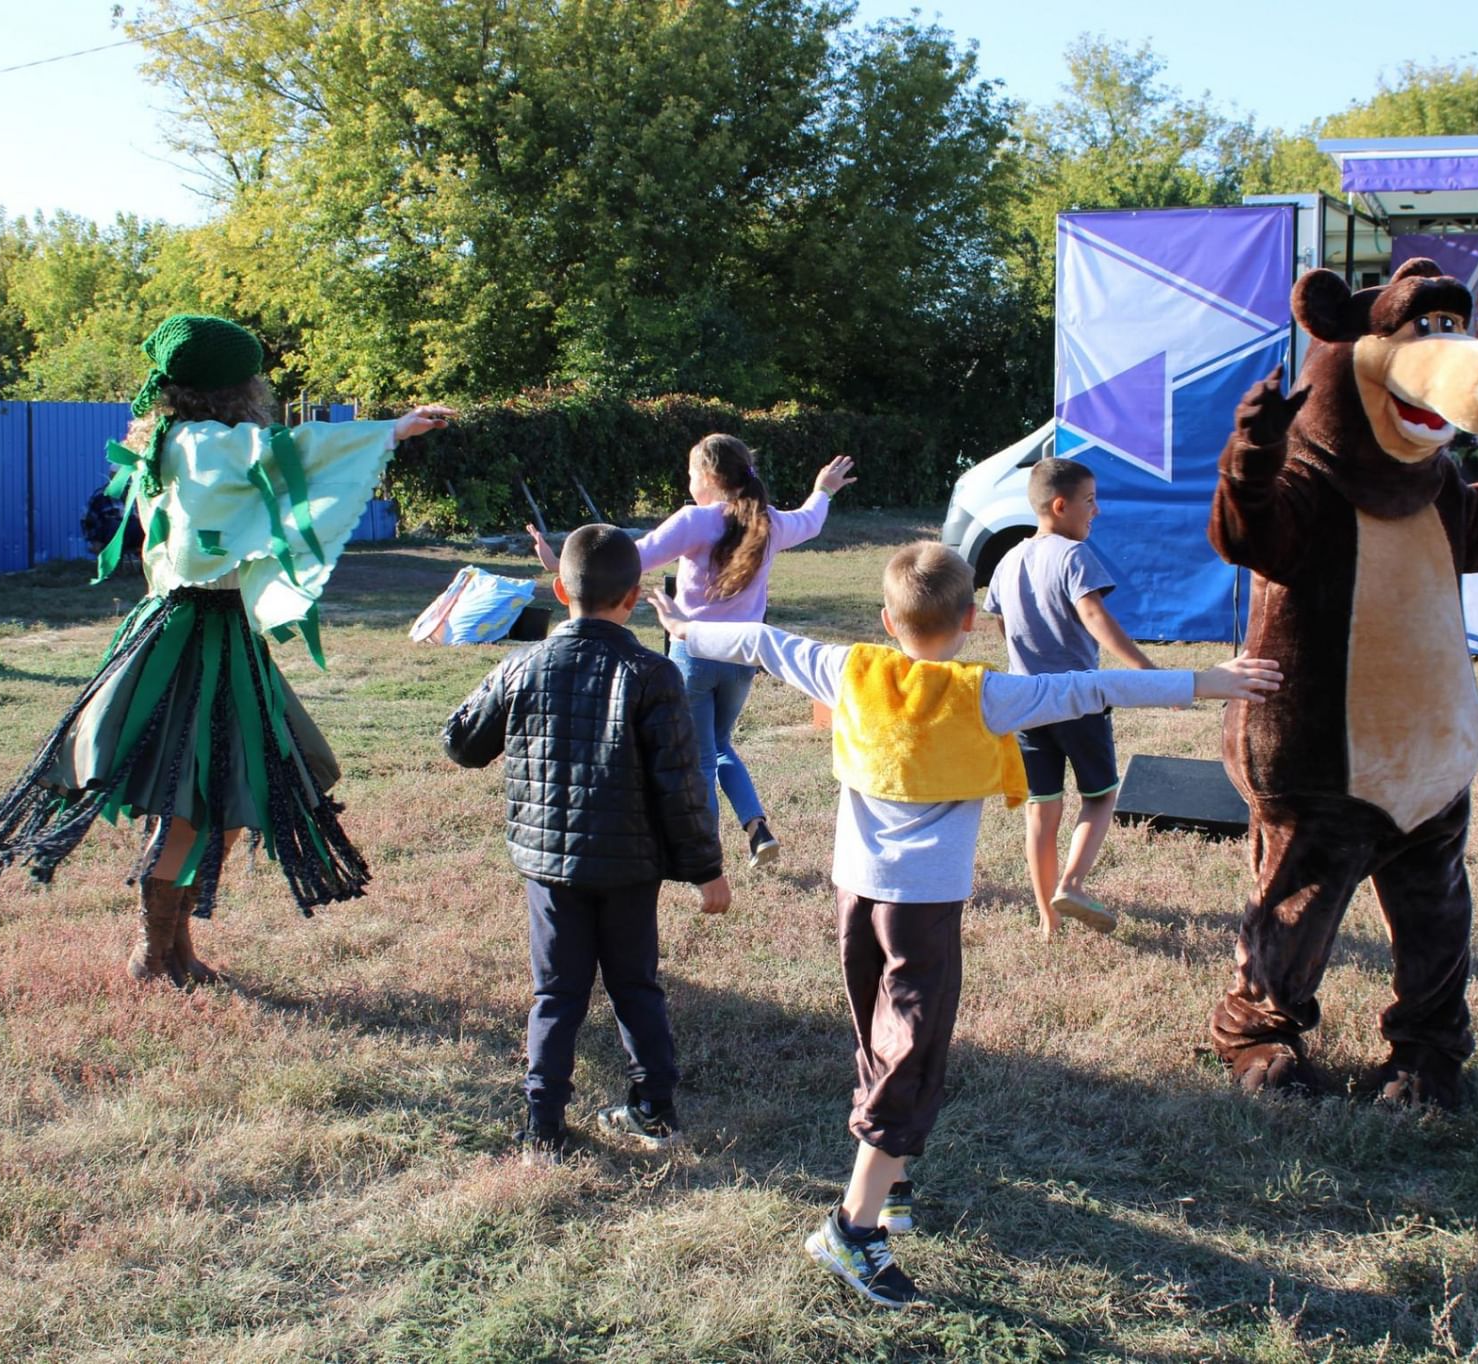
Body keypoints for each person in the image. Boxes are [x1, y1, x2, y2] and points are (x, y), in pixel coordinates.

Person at [650, 543, 1280, 1308]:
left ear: (887, 621)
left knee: (877, 1039)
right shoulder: (988, 695)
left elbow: (756, 640)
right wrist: (1209, 682)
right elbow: (1091, 686)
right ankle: (852, 1230)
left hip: (854, 898)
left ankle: (895, 1186)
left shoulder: (849, 667)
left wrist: (685, 628)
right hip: (922, 910)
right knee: (908, 1056)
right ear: (974, 622)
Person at [0, 314, 453, 986]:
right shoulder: (204, 445)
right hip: (197, 636)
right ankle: (153, 953)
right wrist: (390, 430)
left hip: (197, 630)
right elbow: (288, 452)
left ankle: (172, 947)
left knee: (217, 795)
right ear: (232, 386)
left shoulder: (173, 439)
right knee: (202, 797)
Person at [443, 525, 730, 1162]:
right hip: (630, 867)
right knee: (636, 986)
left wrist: (502, 685)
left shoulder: (522, 665)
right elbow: (681, 786)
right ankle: (654, 1110)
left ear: (558, 589)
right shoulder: (654, 674)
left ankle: (542, 1124)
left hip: (548, 868)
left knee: (556, 992)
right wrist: (708, 870)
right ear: (634, 597)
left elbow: (461, 743)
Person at [528, 435, 855, 870]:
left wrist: (561, 564)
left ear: (707, 477)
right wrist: (823, 489)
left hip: (694, 653)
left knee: (700, 757)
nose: (687, 482)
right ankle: (757, 827)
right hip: (742, 661)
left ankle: (707, 858)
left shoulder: (694, 521)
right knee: (720, 745)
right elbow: (810, 520)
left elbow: (630, 556)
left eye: (689, 474)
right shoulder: (771, 522)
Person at [982, 457, 1157, 939]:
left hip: (1026, 703)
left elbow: (1002, 624)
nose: (1096, 510)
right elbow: (1094, 616)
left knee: (1043, 809)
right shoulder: (1073, 555)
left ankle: (1046, 916)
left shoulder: (1007, 560)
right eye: (1090, 501)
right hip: (1077, 700)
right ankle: (1073, 883)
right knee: (1100, 798)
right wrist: (1145, 671)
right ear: (1061, 506)